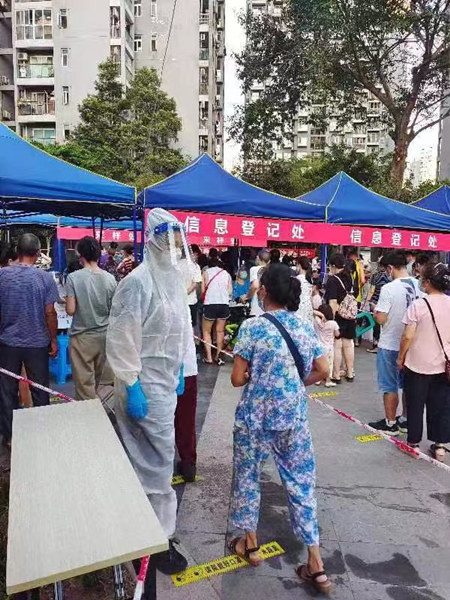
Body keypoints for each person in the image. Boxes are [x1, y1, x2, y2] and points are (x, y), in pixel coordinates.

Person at [230, 263, 330, 594]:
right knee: (301, 484)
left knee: (248, 477)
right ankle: (315, 562)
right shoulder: (303, 326)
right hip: (293, 418)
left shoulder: (252, 327)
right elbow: (323, 369)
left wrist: (255, 376)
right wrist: (294, 384)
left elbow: (237, 379)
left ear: (265, 291)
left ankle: (251, 545)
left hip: (255, 418)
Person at [106, 208, 191, 574]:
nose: (174, 247)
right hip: (142, 383)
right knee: (156, 463)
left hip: (166, 381)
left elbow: (181, 328)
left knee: (152, 458)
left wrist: (181, 367)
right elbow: (121, 337)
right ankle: (157, 540)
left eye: (178, 240)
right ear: (154, 239)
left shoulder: (173, 280)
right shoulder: (136, 282)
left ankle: (147, 529)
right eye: (168, 239)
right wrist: (132, 383)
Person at [0, 234, 59, 444]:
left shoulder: (2, 275)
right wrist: (53, 340)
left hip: (7, 343)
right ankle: (42, 434)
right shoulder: (45, 278)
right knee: (40, 389)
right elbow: (50, 312)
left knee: (7, 391)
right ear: (38, 253)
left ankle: (10, 437)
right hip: (37, 344)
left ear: (18, 251)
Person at [398, 262, 450, 462]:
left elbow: (407, 336)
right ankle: (440, 447)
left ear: (427, 282)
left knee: (415, 404)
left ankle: (413, 444)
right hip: (443, 365)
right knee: (441, 406)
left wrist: (400, 357)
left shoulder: (419, 305)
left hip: (417, 364)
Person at [368, 251, 422, 435]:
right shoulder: (420, 285)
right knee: (408, 385)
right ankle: (405, 420)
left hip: (390, 343)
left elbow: (381, 319)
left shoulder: (389, 288)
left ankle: (390, 423)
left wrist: (375, 311)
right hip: (412, 344)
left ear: (390, 268)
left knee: (389, 385)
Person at [65, 237, 117, 401]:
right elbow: (114, 310)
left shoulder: (73, 278)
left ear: (80, 255)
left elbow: (71, 310)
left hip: (82, 338)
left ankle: (89, 414)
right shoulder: (110, 278)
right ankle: (101, 410)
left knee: (84, 386)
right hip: (104, 336)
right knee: (101, 382)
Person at [324, 253, 356, 383]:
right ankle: (350, 373)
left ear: (333, 265)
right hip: (350, 315)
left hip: (338, 316)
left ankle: (336, 375)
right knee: (348, 344)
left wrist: (331, 320)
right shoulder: (350, 277)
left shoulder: (333, 280)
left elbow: (332, 302)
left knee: (337, 345)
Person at [175, 329, 198, 481]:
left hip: (160, 371)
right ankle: (188, 463)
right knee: (186, 420)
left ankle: (157, 466)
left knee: (158, 421)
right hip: (187, 370)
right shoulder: (185, 314)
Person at [202, 254, 232, 365]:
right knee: (220, 331)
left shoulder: (206, 272)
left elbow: (203, 290)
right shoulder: (226, 274)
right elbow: (229, 291)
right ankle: (218, 356)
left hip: (210, 304)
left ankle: (209, 357)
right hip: (223, 304)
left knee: (206, 331)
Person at [365, 260, 391, 353]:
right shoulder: (390, 276)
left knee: (376, 324)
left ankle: (376, 344)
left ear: (379, 266)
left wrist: (367, 301)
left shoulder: (375, 276)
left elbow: (372, 290)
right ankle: (384, 345)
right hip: (387, 302)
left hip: (375, 302)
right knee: (386, 324)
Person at [314, 304, 340, 387]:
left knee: (319, 364)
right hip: (329, 347)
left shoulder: (316, 321)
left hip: (319, 346)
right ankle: (328, 380)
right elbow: (337, 334)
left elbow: (311, 311)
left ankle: (318, 380)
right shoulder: (333, 323)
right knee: (329, 364)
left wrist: (320, 315)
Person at [180, 249, 202, 327]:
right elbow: (195, 284)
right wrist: (185, 293)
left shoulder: (175, 265)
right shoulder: (195, 266)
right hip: (191, 301)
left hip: (177, 302)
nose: (196, 257)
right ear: (192, 254)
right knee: (190, 325)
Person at [249, 249, 270, 317]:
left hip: (256, 306)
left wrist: (246, 297)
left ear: (258, 258)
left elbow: (255, 286)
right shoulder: (272, 270)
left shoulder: (254, 269)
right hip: (269, 307)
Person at [296, 256, 314, 324]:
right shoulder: (310, 279)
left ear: (299, 265)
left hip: (299, 307)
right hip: (308, 307)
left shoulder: (297, 279)